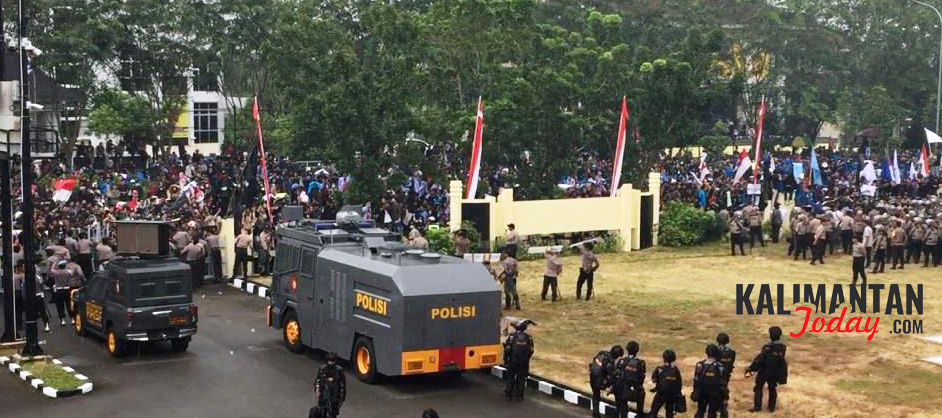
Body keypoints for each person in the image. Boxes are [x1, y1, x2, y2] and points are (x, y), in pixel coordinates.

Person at [746, 326, 787, 413]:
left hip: (765, 371)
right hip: (775, 371)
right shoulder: (783, 347)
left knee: (758, 387)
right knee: (772, 388)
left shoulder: (768, 347)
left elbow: (760, 359)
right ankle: (771, 407)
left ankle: (757, 407)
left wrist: (751, 368)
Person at [503, 319, 535, 401]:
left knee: (510, 377)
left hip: (513, 361)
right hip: (523, 362)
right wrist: (526, 359)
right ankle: (520, 396)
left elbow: (507, 349)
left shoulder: (512, 336)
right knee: (521, 378)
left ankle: (508, 394)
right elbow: (531, 350)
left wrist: (506, 359)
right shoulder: (529, 337)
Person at [613, 341, 645, 418]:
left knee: (621, 403)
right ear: (637, 350)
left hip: (622, 390)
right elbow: (641, 378)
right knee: (642, 394)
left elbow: (615, 375)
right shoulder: (641, 363)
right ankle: (639, 414)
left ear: (627, 350)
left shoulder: (621, 361)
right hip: (636, 391)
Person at [589, 345, 622, 418]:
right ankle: (618, 413)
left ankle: (595, 413)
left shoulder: (601, 353)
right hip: (600, 381)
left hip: (592, 377)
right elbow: (611, 374)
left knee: (596, 395)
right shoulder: (610, 361)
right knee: (617, 389)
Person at [693, 344, 725, 418]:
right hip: (715, 393)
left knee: (700, 411)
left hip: (702, 392)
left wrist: (695, 391)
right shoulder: (720, 367)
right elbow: (723, 383)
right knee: (712, 412)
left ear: (706, 353)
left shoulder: (699, 365)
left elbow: (696, 379)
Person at [649, 349, 683, 418]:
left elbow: (653, 380)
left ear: (664, 358)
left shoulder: (659, 369)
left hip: (660, 394)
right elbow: (679, 383)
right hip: (672, 395)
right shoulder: (676, 370)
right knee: (669, 414)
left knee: (653, 411)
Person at [314, 352, 346, 418]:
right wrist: (317, 390)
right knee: (322, 411)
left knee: (332, 412)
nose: (331, 363)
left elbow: (343, 385)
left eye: (332, 361)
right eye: (329, 361)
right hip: (324, 392)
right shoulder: (322, 369)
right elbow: (318, 380)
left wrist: (342, 397)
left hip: (334, 394)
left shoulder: (339, 370)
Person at [716, 333, 735, 418]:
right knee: (725, 387)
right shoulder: (732, 352)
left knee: (717, 389)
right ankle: (724, 402)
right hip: (727, 373)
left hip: (718, 374)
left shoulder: (717, 351)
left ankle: (719, 405)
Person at [49, 260, 74, 326]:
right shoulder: (68, 272)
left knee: (60, 305)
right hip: (67, 289)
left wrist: (54, 263)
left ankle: (62, 320)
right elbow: (71, 270)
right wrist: (68, 263)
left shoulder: (56, 272)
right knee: (69, 304)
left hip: (59, 290)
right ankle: (72, 318)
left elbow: (51, 269)